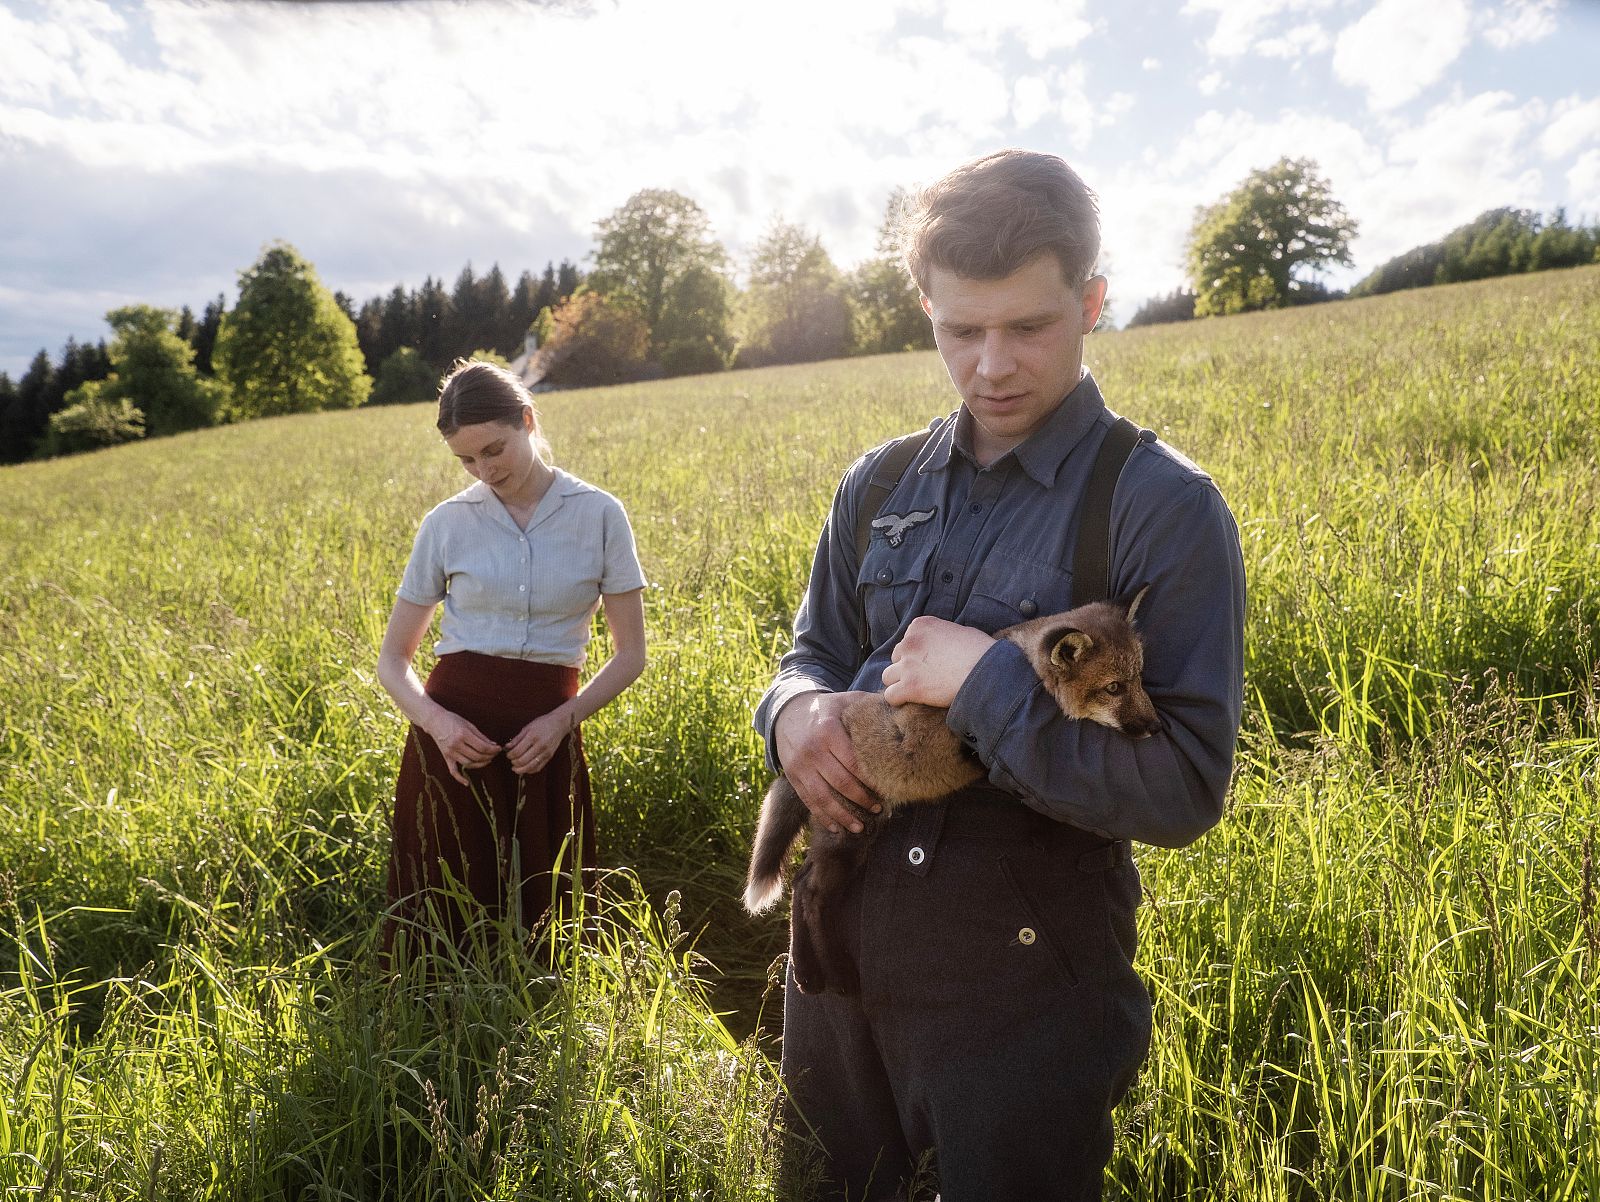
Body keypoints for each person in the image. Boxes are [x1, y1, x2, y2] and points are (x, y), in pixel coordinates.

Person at [754, 150, 1246, 1199]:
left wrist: (986, 683)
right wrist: (791, 712)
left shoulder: (1160, 509)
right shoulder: (875, 484)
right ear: (922, 307)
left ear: (1093, 301)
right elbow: (810, 652)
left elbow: (1184, 787)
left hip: (1021, 1009)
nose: (991, 366)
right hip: (833, 972)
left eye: (1028, 326)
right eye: (959, 331)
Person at [378, 359, 647, 956]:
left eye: (494, 450)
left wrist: (560, 722)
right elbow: (393, 661)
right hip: (452, 742)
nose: (484, 470)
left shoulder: (600, 514)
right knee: (441, 923)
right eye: (467, 461)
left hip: (543, 737)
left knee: (548, 923)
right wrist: (440, 725)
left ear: (528, 420)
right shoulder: (446, 524)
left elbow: (631, 655)